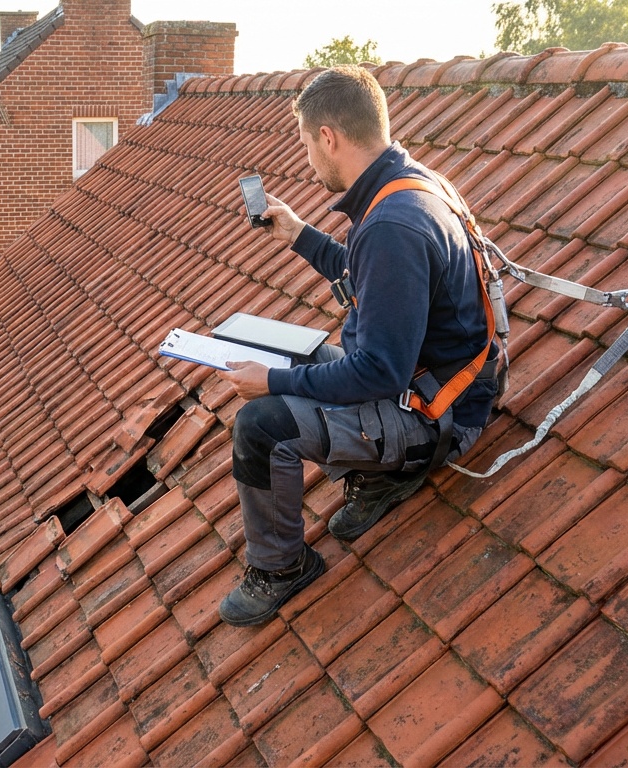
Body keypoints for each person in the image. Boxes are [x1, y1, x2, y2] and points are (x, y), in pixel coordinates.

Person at [216, 66, 499, 627]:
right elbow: (374, 278)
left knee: (261, 426)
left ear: (328, 137)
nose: (308, 160)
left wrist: (270, 385)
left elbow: (379, 373)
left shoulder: (392, 225)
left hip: (437, 412)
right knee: (296, 364)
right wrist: (299, 234)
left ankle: (281, 569)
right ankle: (378, 475)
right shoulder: (410, 187)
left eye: (305, 143)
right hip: (439, 378)